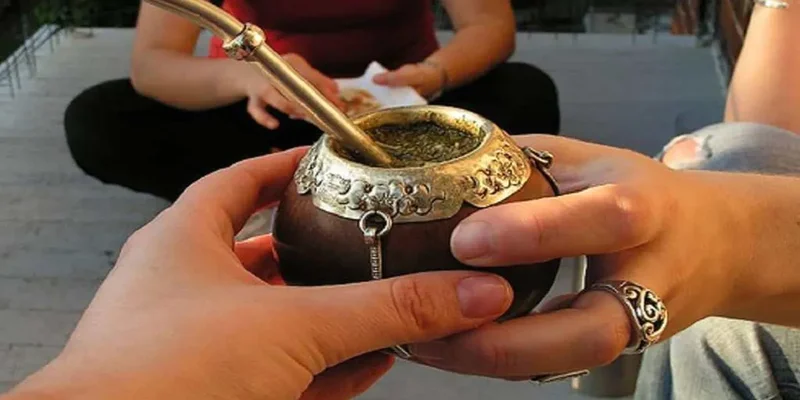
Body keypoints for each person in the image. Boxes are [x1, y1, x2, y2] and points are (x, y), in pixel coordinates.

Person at [62, 0, 561, 202]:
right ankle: (275, 195)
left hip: (405, 107)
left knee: (526, 93)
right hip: (268, 107)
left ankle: (297, 193)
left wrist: (435, 73)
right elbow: (153, 64)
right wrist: (254, 77)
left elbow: (489, 25)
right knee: (100, 120)